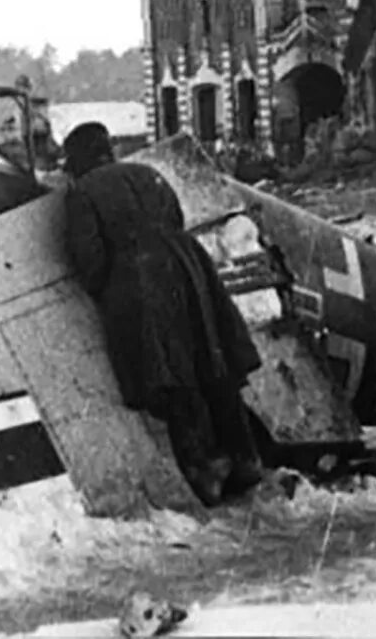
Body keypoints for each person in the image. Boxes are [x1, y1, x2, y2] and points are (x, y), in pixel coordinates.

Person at [60, 121, 264, 505]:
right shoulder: (148, 173)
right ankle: (245, 456)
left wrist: (111, 288)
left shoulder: (82, 192)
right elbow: (177, 219)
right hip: (189, 267)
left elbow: (89, 260)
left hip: (138, 280)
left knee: (168, 373)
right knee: (212, 359)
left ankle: (206, 469)